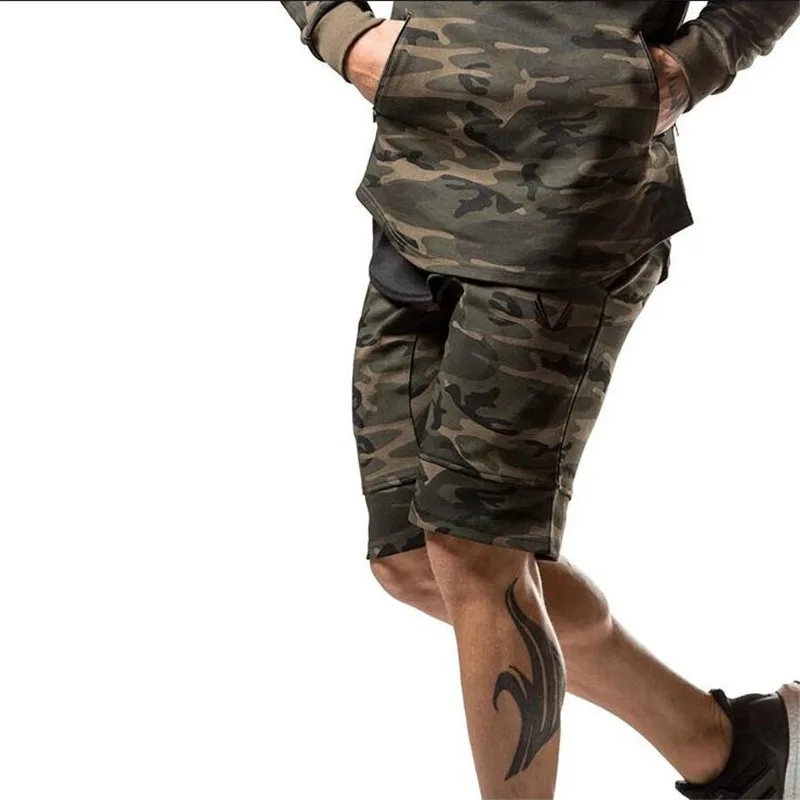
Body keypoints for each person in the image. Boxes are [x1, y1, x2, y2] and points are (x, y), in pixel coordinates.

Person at [279, 2, 800, 797]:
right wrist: (340, 32)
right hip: (418, 181)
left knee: (474, 552)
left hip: (574, 197)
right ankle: (747, 752)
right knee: (411, 558)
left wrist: (700, 60)